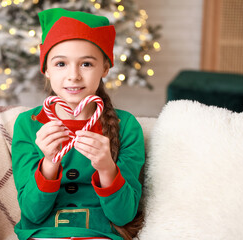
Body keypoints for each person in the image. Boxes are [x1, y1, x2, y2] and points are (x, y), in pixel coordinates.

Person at [12, 8, 145, 240]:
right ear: (46, 70)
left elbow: (123, 216)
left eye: (86, 64)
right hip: (43, 234)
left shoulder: (126, 126)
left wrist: (106, 167)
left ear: (105, 68)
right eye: (61, 64)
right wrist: (50, 163)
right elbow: (31, 212)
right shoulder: (28, 124)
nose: (73, 76)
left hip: (100, 234)